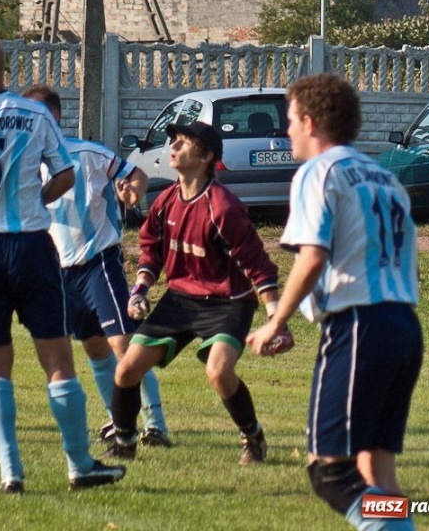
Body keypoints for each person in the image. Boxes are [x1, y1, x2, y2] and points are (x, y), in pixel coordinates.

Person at [0, 37, 126, 494]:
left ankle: (10, 472)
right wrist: (36, 200)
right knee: (57, 360)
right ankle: (79, 465)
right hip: (33, 247)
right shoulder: (36, 115)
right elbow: (66, 174)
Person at [246, 73, 422, 530]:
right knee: (375, 469)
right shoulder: (385, 178)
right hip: (403, 325)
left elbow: (313, 256)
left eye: (289, 121)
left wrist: (275, 321)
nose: (286, 132)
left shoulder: (319, 172)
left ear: (309, 121)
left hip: (359, 325)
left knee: (330, 471)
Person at [101, 120, 293, 465]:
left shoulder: (223, 207)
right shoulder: (165, 202)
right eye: (172, 141)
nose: (172, 147)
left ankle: (253, 436)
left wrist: (276, 320)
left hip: (228, 302)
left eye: (183, 142)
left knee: (219, 372)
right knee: (126, 369)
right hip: (180, 300)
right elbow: (151, 252)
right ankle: (125, 440)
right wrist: (140, 290)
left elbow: (258, 266)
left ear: (205, 156)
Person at [21, 84, 170, 447]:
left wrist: (132, 191)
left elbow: (135, 174)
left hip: (97, 262)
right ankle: (117, 420)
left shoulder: (85, 153)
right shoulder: (23, 165)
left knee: (124, 344)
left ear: (53, 117)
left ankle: (155, 425)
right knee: (94, 349)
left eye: (33, 116)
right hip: (58, 272)